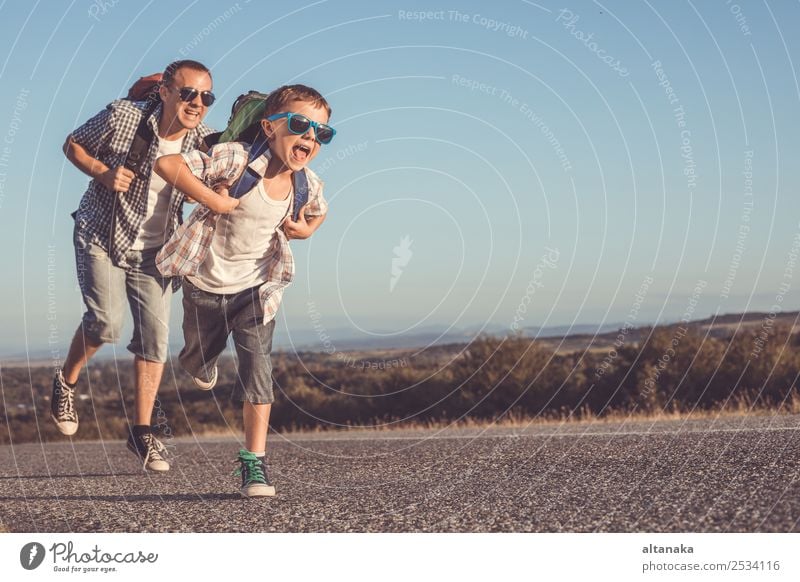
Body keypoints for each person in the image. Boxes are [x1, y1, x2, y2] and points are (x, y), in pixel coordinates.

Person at [154, 84, 333, 497]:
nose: (309, 137)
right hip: (204, 286)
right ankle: (201, 363)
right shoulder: (236, 158)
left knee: (259, 371)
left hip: (256, 290)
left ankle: (255, 464)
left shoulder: (306, 184)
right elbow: (168, 164)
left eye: (320, 133)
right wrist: (212, 201)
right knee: (196, 361)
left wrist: (304, 229)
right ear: (270, 127)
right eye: (300, 125)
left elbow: (321, 210)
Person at [53, 60, 218, 472]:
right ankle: (66, 381)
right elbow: (73, 143)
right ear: (164, 91)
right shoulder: (124, 117)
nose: (196, 103)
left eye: (205, 97)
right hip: (103, 235)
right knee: (106, 325)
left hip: (156, 252)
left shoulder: (202, 143)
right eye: (187, 93)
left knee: (154, 341)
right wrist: (102, 172)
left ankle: (142, 432)